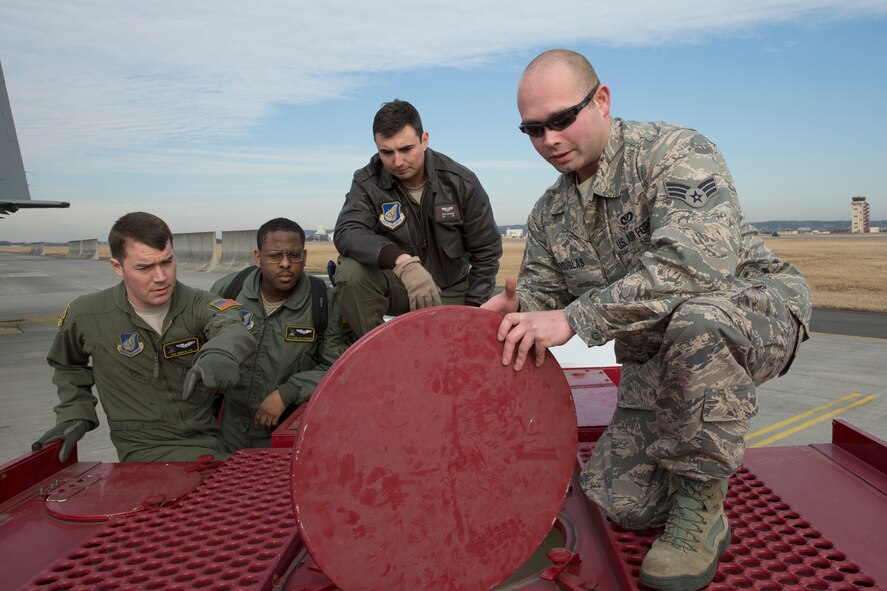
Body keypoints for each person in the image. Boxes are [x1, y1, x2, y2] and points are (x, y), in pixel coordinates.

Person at [483, 50, 812, 591]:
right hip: (656, 352)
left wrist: (577, 317)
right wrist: (513, 311)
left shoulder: (674, 153)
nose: (550, 139)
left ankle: (701, 512)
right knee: (623, 503)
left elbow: (695, 267)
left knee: (700, 322)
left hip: (749, 311)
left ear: (603, 100)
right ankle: (688, 463)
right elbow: (543, 302)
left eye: (562, 119)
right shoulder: (550, 213)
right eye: (534, 129)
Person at [33, 212, 257, 463]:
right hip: (140, 451)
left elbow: (232, 326)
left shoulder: (198, 304)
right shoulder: (87, 314)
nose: (161, 277)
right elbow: (67, 364)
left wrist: (220, 354)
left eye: (167, 262)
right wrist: (74, 414)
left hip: (205, 444)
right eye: (145, 267)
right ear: (118, 267)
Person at [333, 99, 502, 337]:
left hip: (451, 289)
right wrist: (402, 263)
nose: (397, 161)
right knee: (349, 273)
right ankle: (383, 353)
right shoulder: (367, 182)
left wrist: (473, 311)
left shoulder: (460, 182)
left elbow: (486, 251)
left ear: (424, 140)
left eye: (405, 149)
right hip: (401, 287)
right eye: (386, 152)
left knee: (453, 358)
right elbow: (347, 231)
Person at [210, 217, 351, 449]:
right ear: (258, 257)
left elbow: (336, 367)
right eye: (275, 256)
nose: (285, 263)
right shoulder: (228, 291)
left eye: (294, 256)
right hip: (228, 432)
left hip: (290, 436)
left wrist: (287, 393)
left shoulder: (323, 303)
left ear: (304, 257)